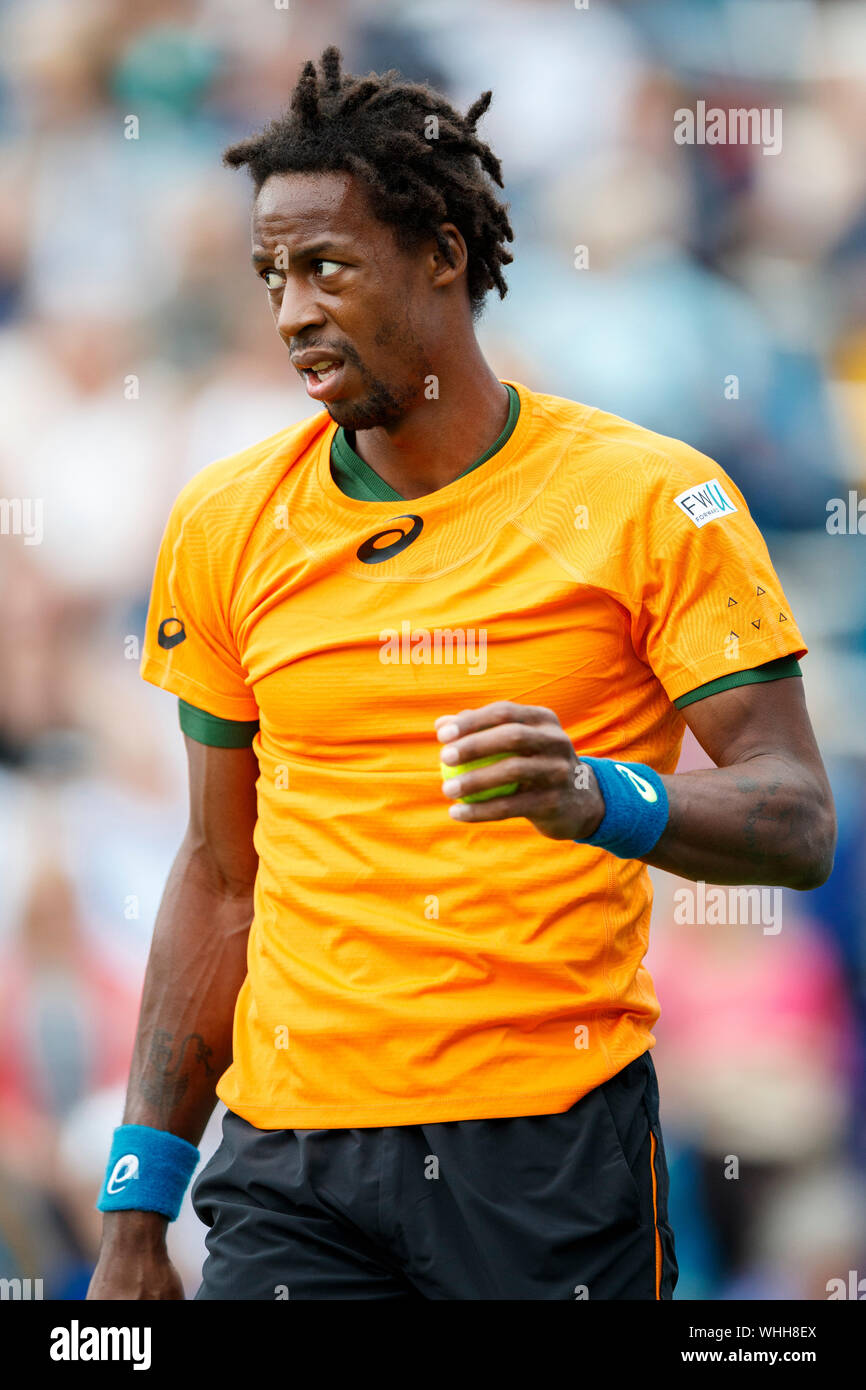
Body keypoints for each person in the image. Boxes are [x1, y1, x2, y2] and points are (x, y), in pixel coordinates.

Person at [87, 47, 835, 1301]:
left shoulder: (649, 500)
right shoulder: (224, 523)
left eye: (325, 265)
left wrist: (597, 797)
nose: (289, 312)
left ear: (442, 251)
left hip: (546, 1148)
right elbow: (221, 878)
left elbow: (795, 815)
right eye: (271, 275)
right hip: (290, 1158)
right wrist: (133, 1208)